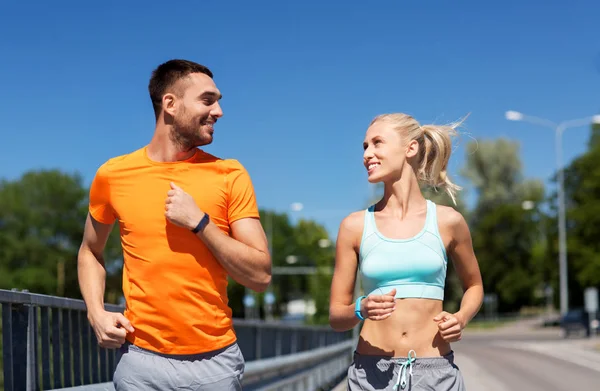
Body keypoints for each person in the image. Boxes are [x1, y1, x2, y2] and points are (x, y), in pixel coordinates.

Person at [77, 59, 271, 390]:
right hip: (139, 361)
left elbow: (260, 275)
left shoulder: (230, 174)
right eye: (208, 100)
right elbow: (89, 252)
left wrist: (200, 223)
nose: (219, 111)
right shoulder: (112, 175)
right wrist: (96, 313)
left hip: (215, 365)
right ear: (170, 103)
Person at [329, 113, 484, 391]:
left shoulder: (448, 222)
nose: (367, 154)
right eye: (364, 146)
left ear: (410, 148)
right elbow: (336, 317)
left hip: (435, 372)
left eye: (377, 143)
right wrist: (360, 307)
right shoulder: (353, 226)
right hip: (370, 375)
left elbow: (474, 286)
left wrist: (460, 318)